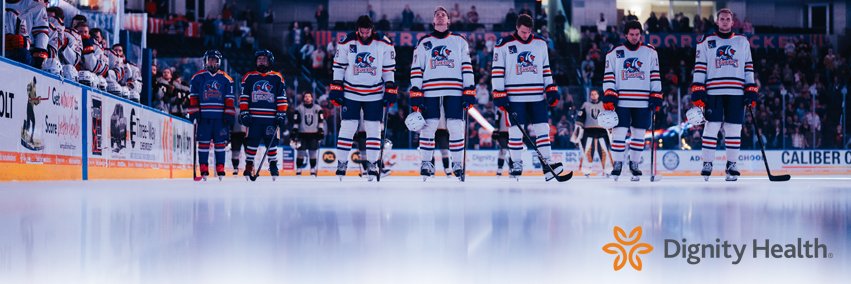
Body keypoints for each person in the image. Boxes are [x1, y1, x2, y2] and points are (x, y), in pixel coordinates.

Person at [490, 14, 564, 181]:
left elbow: (546, 68)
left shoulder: (540, 43)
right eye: (523, 32)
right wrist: (499, 93)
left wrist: (550, 89)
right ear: (517, 27)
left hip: (537, 97)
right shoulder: (503, 45)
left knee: (543, 130)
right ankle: (516, 163)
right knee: (515, 132)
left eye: (528, 31)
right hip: (514, 98)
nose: (525, 35)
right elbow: (497, 71)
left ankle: (548, 165)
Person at [690, 8, 757, 181]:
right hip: (713, 92)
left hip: (736, 92)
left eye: (728, 19)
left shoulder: (742, 42)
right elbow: (699, 67)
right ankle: (707, 163)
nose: (725, 21)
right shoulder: (706, 41)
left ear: (733, 22)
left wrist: (751, 89)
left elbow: (748, 67)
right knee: (711, 128)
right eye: (722, 19)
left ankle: (732, 165)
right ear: (717, 21)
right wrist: (698, 89)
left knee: (734, 129)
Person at [409, 7, 475, 180]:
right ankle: (425, 163)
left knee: (456, 127)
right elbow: (416, 68)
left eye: (443, 15)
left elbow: (467, 66)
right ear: (433, 21)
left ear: (448, 21)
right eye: (437, 15)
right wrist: (416, 90)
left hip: (454, 89)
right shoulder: (424, 42)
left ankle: (458, 164)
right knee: (428, 126)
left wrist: (469, 88)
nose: (440, 17)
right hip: (430, 89)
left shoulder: (459, 41)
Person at [330, 15, 396, 181]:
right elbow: (338, 66)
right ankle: (342, 163)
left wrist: (390, 88)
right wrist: (337, 87)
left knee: (374, 129)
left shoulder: (384, 42)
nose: (365, 34)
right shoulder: (347, 41)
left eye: (368, 31)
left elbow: (389, 69)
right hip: (350, 92)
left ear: (372, 29)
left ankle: (373, 164)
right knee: (347, 127)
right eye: (362, 31)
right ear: (357, 29)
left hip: (374, 93)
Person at [601, 20, 662, 181]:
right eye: (631, 34)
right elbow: (609, 77)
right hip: (621, 101)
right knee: (619, 134)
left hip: (642, 101)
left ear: (640, 34)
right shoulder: (615, 52)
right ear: (625, 35)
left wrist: (656, 95)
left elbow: (655, 75)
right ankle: (618, 164)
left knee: (639, 134)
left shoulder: (650, 52)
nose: (635, 37)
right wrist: (609, 95)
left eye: (637, 34)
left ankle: (634, 164)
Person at [239, 50, 288, 180]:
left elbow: (281, 97)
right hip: (254, 118)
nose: (261, 61)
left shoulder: (277, 77)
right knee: (251, 142)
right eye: (259, 59)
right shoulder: (249, 77)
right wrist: (244, 113)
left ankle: (273, 165)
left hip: (271, 119)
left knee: (271, 144)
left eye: (264, 59)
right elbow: (244, 97)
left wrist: (281, 114)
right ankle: (249, 166)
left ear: (269, 61)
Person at [188, 50, 236, 180]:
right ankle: (203, 168)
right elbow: (193, 97)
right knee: (203, 143)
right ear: (205, 61)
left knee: (220, 143)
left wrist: (229, 113)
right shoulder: (197, 77)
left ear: (219, 62)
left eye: (214, 60)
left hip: (220, 118)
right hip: (204, 117)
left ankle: (220, 168)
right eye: (210, 60)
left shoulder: (227, 79)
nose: (212, 62)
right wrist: (194, 112)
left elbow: (229, 98)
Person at [574, 90, 612, 177]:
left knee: (604, 151)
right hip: (588, 131)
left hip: (601, 131)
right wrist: (578, 129)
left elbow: (609, 116)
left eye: (595, 94)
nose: (593, 96)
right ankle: (586, 170)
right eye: (592, 94)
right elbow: (580, 117)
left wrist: (610, 128)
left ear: (598, 95)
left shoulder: (604, 105)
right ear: (590, 96)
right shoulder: (585, 105)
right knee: (587, 151)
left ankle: (608, 170)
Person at [292, 91, 325, 177]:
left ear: (312, 98)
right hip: (302, 133)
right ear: (303, 98)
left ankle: (312, 169)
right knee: (300, 153)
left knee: (313, 153)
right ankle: (299, 169)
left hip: (314, 133)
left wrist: (321, 130)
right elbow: (296, 121)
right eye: (305, 96)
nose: (307, 98)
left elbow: (321, 121)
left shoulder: (318, 108)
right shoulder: (298, 108)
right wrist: (294, 131)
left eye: (309, 96)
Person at [493, 107, 511, 176]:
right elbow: (497, 120)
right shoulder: (500, 109)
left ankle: (511, 168)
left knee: (512, 151)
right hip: (502, 132)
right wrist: (496, 130)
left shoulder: (513, 107)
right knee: (503, 150)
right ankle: (499, 169)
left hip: (512, 131)